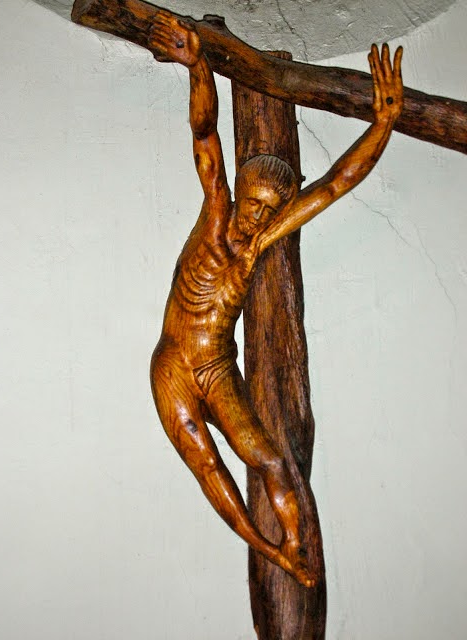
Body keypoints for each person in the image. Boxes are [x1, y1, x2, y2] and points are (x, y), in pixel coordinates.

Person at [149, 10, 403, 587]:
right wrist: (198, 67)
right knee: (209, 466)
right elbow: (206, 139)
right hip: (174, 367)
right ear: (239, 195)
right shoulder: (217, 219)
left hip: (217, 368)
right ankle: (271, 549)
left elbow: (334, 184)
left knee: (267, 460)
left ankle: (292, 548)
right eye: (253, 203)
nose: (256, 218)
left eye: (269, 211)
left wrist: (384, 123)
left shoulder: (260, 240)